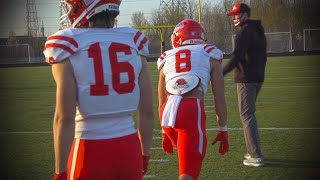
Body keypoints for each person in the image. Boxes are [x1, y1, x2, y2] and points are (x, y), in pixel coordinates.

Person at [43, 0, 154, 179]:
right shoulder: (133, 41)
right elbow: (147, 112)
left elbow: (64, 118)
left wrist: (60, 170)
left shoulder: (68, 43)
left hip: (88, 149)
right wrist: (144, 154)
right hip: (128, 148)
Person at [157, 19, 229, 180]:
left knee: (186, 166)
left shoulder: (166, 57)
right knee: (188, 172)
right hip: (190, 110)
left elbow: (161, 101)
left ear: (177, 38)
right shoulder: (210, 53)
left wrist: (164, 132)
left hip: (167, 113)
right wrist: (223, 129)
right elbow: (219, 98)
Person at [224, 3, 267, 167]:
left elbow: (236, 56)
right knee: (250, 114)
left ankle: (255, 155)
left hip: (246, 79)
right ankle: (253, 151)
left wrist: (220, 73)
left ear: (245, 14)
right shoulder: (258, 30)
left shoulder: (244, 33)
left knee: (247, 116)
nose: (234, 17)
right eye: (233, 15)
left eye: (237, 14)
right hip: (257, 78)